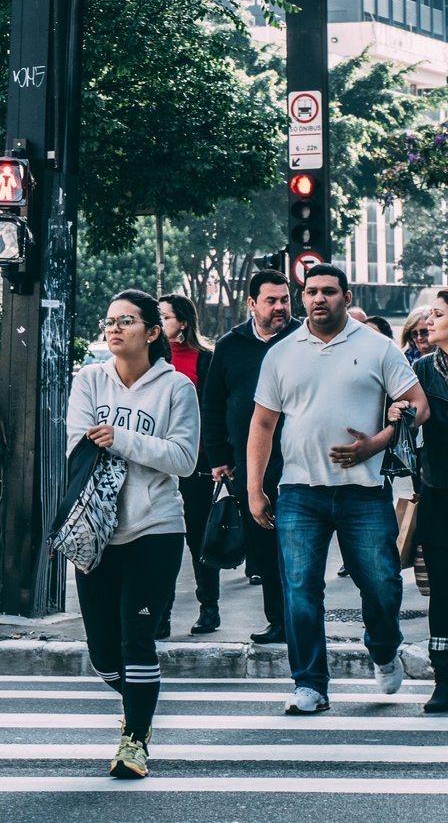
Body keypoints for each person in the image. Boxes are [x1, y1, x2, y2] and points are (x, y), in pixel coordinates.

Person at [247, 264, 429, 714]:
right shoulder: (281, 354)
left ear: (346, 297)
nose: (319, 299)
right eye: (311, 292)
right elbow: (263, 425)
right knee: (301, 589)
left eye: (329, 291)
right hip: (299, 493)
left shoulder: (378, 347)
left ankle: (384, 649)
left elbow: (419, 406)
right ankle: (309, 684)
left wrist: (378, 443)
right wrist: (254, 488)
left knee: (383, 585)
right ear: (302, 297)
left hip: (363, 492)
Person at [68, 289, 199, 779]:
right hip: (96, 529)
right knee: (103, 652)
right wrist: (125, 444)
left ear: (151, 331)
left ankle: (134, 739)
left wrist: (120, 438)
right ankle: (140, 700)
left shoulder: (176, 389)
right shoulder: (88, 380)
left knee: (137, 637)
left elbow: (184, 459)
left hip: (156, 526)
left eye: (127, 320)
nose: (114, 327)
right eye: (109, 320)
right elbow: (77, 447)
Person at [389, 288, 448, 713]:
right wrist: (399, 414)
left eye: (438, 315)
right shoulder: (421, 369)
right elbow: (409, 425)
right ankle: (446, 680)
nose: (427, 321)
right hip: (436, 493)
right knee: (441, 592)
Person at [202, 269, 301, 644]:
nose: (280, 307)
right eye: (271, 300)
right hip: (250, 465)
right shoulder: (230, 345)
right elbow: (212, 405)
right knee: (263, 547)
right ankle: (278, 620)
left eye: (285, 299)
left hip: (299, 461)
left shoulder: (303, 338)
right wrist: (218, 457)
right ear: (252, 304)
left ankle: (302, 620)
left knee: (299, 547)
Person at [157, 293, 217, 636]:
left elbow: (212, 413)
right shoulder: (151, 362)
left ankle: (209, 608)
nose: (160, 323)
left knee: (198, 540)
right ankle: (161, 615)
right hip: (159, 464)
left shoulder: (205, 359)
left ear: (182, 321)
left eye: (164, 317)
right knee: (162, 541)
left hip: (197, 464)